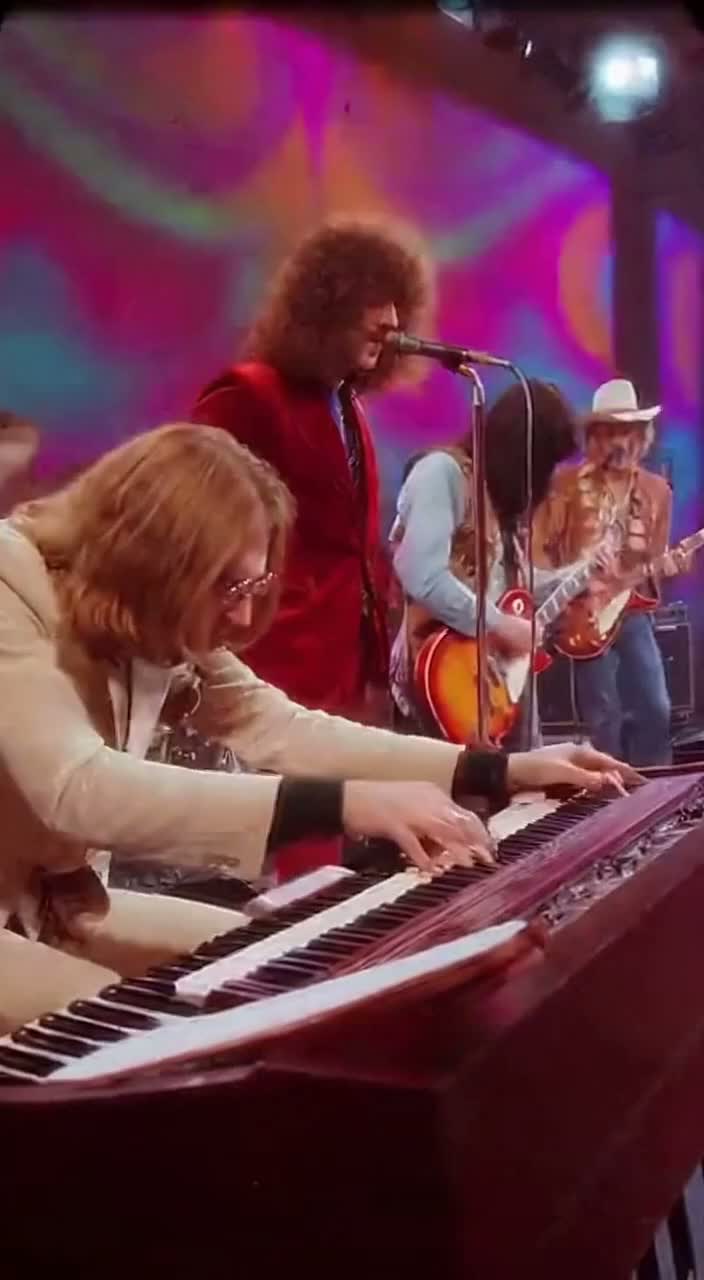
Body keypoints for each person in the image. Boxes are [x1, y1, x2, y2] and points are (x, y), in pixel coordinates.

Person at [0, 423, 635, 1033]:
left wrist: (500, 770)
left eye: (254, 585)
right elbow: (79, 789)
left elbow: (283, 728)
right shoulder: (11, 582)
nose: (243, 616)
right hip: (31, 910)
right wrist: (345, 805)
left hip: (50, 905)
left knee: (275, 967)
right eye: (228, 587)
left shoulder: (153, 610)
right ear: (152, 561)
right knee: (107, 1024)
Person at [191, 214, 432, 724]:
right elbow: (198, 536)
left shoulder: (348, 406)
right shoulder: (249, 394)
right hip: (275, 667)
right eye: (373, 302)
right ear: (326, 308)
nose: (391, 321)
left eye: (396, 304)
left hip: (349, 672)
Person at [389, 379, 582, 744]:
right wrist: (500, 626)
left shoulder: (499, 502)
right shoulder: (442, 473)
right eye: (544, 466)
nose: (547, 481)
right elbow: (422, 575)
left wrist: (578, 576)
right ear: (521, 453)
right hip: (440, 677)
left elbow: (510, 587)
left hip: (493, 680)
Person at [534, 378, 685, 766]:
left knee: (655, 708)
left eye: (627, 431)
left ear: (641, 436)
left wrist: (670, 566)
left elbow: (654, 560)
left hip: (631, 611)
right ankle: (608, 792)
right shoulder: (565, 485)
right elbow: (538, 551)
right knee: (604, 718)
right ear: (594, 437)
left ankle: (654, 789)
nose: (619, 442)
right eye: (609, 432)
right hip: (582, 615)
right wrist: (564, 596)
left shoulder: (657, 491)